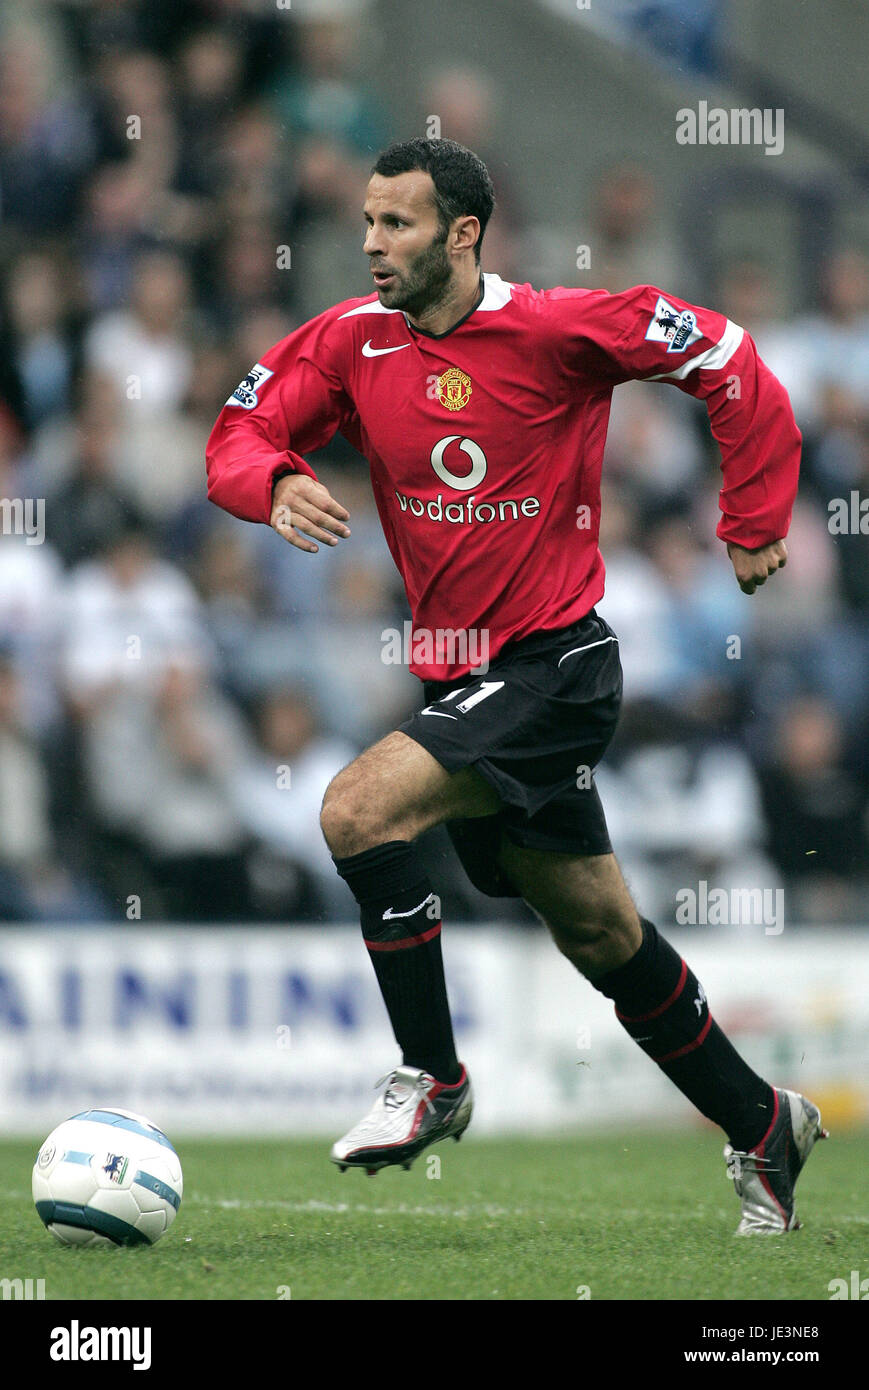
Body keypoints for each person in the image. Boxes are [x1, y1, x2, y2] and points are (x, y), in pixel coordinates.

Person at [206, 137, 826, 1235]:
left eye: (394, 225)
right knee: (600, 935)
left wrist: (749, 516)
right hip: (464, 679)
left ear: (460, 234)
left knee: (354, 810)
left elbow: (725, 355)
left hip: (555, 665)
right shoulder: (352, 342)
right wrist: (276, 479)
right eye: (364, 221)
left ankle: (432, 1078)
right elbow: (238, 432)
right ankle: (762, 1123)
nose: (368, 244)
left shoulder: (555, 328)